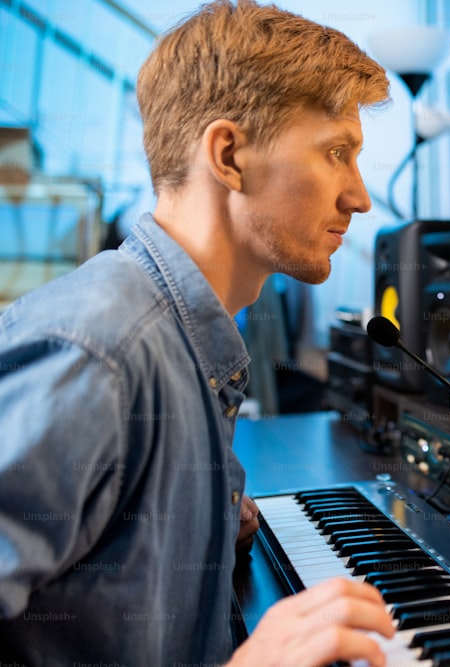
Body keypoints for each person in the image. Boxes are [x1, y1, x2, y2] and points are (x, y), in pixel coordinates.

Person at [0, 1, 396, 664]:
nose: (359, 197)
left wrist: (205, 525)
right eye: (336, 153)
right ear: (229, 155)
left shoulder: (180, 337)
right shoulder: (99, 354)